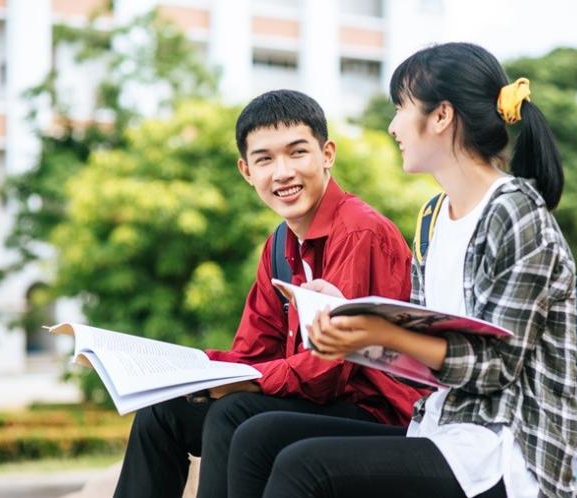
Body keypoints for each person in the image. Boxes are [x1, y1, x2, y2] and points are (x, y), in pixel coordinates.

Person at [225, 43, 577, 498]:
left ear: (440, 117)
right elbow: (420, 345)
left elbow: (495, 367)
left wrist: (381, 333)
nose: (393, 126)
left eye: (401, 108)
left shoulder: (513, 213)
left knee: (305, 466)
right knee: (258, 437)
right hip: (442, 430)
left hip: (508, 451)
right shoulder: (434, 217)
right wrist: (344, 310)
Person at [112, 90, 426, 498]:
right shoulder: (279, 246)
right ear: (246, 170)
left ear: (327, 153)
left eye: (297, 153)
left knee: (233, 411)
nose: (282, 173)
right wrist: (177, 371)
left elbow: (329, 372)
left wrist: (244, 382)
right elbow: (252, 352)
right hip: (322, 402)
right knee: (163, 412)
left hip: (378, 414)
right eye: (264, 159)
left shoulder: (359, 231)